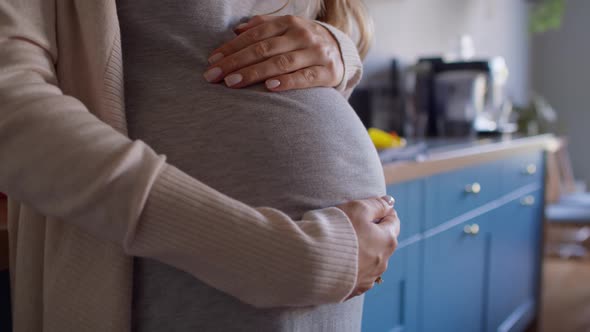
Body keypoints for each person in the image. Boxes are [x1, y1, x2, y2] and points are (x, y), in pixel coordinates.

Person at [0, 0, 400, 331]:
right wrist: (264, 254)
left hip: (324, 276)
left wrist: (338, 49)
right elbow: (11, 107)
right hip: (176, 274)